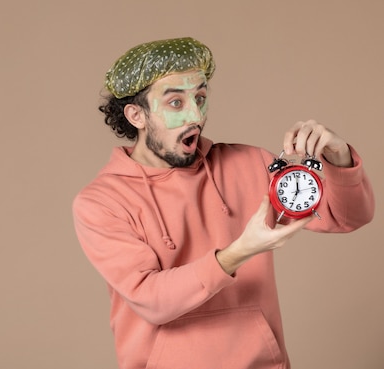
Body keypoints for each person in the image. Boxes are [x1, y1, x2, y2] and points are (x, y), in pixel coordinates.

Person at [72, 37, 375, 369]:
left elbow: (348, 217)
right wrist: (240, 251)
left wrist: (339, 158)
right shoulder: (101, 203)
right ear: (136, 115)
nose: (195, 116)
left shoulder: (249, 164)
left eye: (200, 98)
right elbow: (151, 300)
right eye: (175, 103)